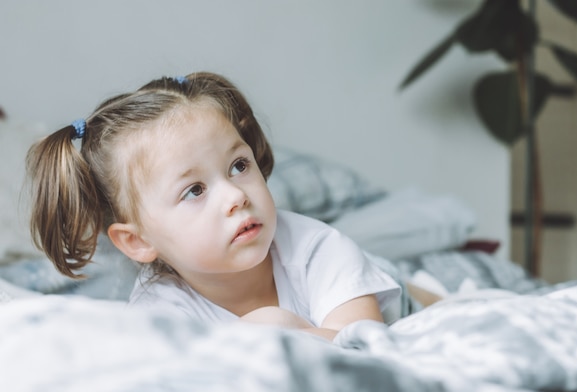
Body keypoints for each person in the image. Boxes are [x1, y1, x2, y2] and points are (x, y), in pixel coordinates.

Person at [26, 72, 400, 341]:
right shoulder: (160, 315)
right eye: (194, 190)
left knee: (410, 290)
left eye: (239, 166)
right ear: (137, 242)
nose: (236, 196)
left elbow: (367, 350)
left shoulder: (318, 249)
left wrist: (281, 332)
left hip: (385, 300)